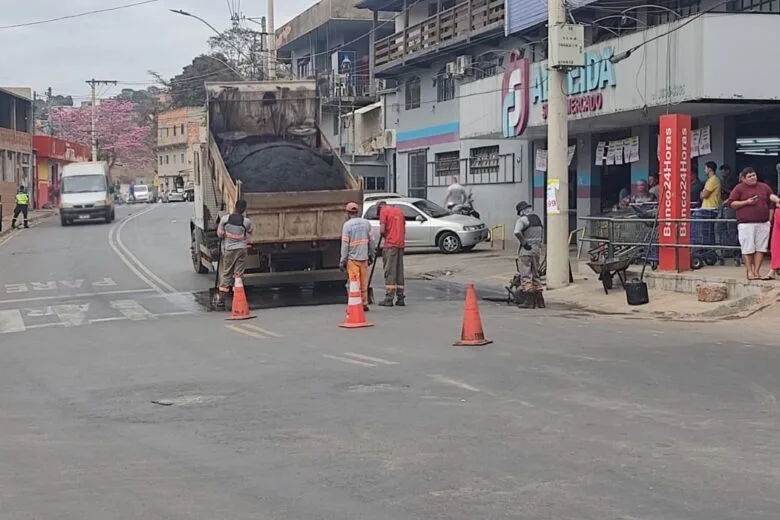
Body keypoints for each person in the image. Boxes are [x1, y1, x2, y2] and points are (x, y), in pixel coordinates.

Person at [728, 167, 780, 280]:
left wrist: (777, 200)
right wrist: (747, 202)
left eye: (754, 175)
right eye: (749, 176)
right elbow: (731, 203)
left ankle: (756, 272)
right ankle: (750, 272)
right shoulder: (739, 188)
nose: (753, 178)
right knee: (748, 248)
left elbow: (770, 196)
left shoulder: (764, 186)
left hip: (763, 222)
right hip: (746, 223)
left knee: (761, 248)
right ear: (743, 179)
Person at [216, 199, 254, 308]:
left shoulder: (225, 219)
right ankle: (237, 297)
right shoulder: (246, 222)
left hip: (229, 250)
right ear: (244, 209)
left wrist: (226, 233)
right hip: (241, 250)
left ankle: (221, 299)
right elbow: (250, 231)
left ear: (235, 207)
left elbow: (219, 234)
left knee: (226, 273)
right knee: (238, 274)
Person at [340, 202, 376, 311]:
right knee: (364, 282)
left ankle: (354, 304)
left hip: (353, 259)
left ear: (348, 213)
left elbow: (345, 244)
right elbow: (372, 241)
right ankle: (364, 303)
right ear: (358, 212)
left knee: (353, 283)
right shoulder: (366, 223)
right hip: (364, 258)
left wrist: (343, 260)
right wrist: (372, 255)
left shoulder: (347, 225)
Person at [513, 201, 544, 308]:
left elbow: (517, 232)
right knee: (536, 275)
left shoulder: (523, 220)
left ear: (521, 211)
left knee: (526, 275)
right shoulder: (537, 219)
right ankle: (540, 302)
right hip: (536, 250)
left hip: (526, 251)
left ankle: (529, 302)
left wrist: (524, 243)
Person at [377, 201, 406, 307]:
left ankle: (389, 298)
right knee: (399, 271)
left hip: (390, 244)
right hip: (400, 244)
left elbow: (382, 229)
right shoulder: (399, 211)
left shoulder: (384, 211)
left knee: (390, 271)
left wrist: (385, 236)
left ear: (380, 207)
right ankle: (400, 297)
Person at [698, 161, 722, 248]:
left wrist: (702, 193)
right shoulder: (709, 180)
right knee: (706, 231)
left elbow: (704, 195)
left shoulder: (713, 180)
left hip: (710, 208)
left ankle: (709, 250)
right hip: (706, 208)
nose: (704, 170)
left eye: (705, 168)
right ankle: (707, 249)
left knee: (707, 232)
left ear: (710, 169)